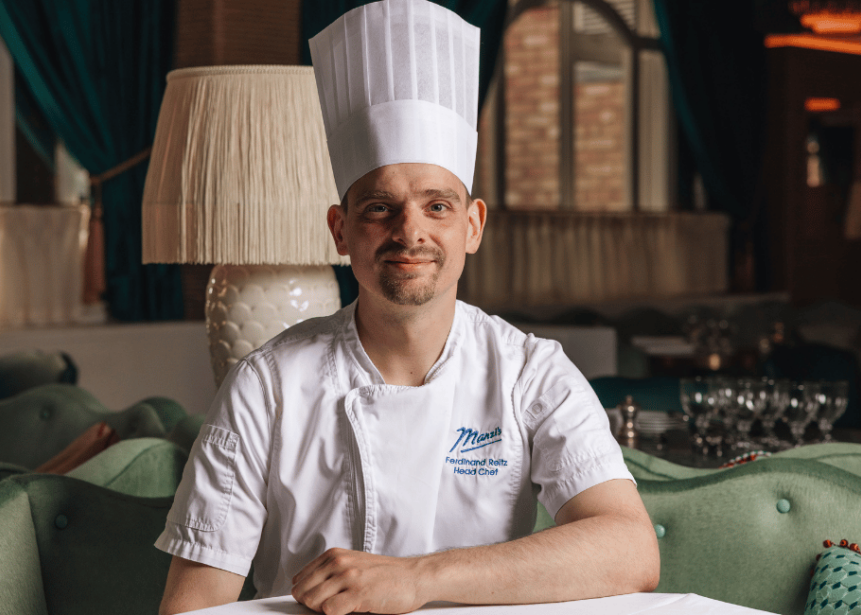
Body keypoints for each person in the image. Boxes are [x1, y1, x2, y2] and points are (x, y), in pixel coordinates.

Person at [156, 2, 659, 614]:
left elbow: (630, 549)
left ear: (472, 226)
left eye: (438, 206)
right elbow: (191, 607)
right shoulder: (267, 384)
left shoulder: (530, 372)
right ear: (341, 231)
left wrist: (416, 580)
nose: (409, 232)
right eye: (379, 208)